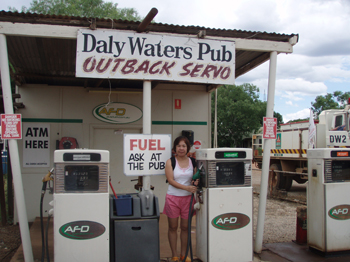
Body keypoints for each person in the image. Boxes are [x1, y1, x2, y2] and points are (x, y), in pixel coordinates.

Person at [163, 136, 198, 262]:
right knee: (173, 227)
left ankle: (184, 254)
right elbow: (171, 180)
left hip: (188, 200)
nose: (181, 148)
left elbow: (196, 176)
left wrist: (196, 181)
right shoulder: (170, 162)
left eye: (184, 146)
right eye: (179, 146)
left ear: (188, 148)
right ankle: (174, 255)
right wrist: (186, 188)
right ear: (175, 148)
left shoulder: (193, 162)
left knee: (185, 227)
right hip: (173, 198)